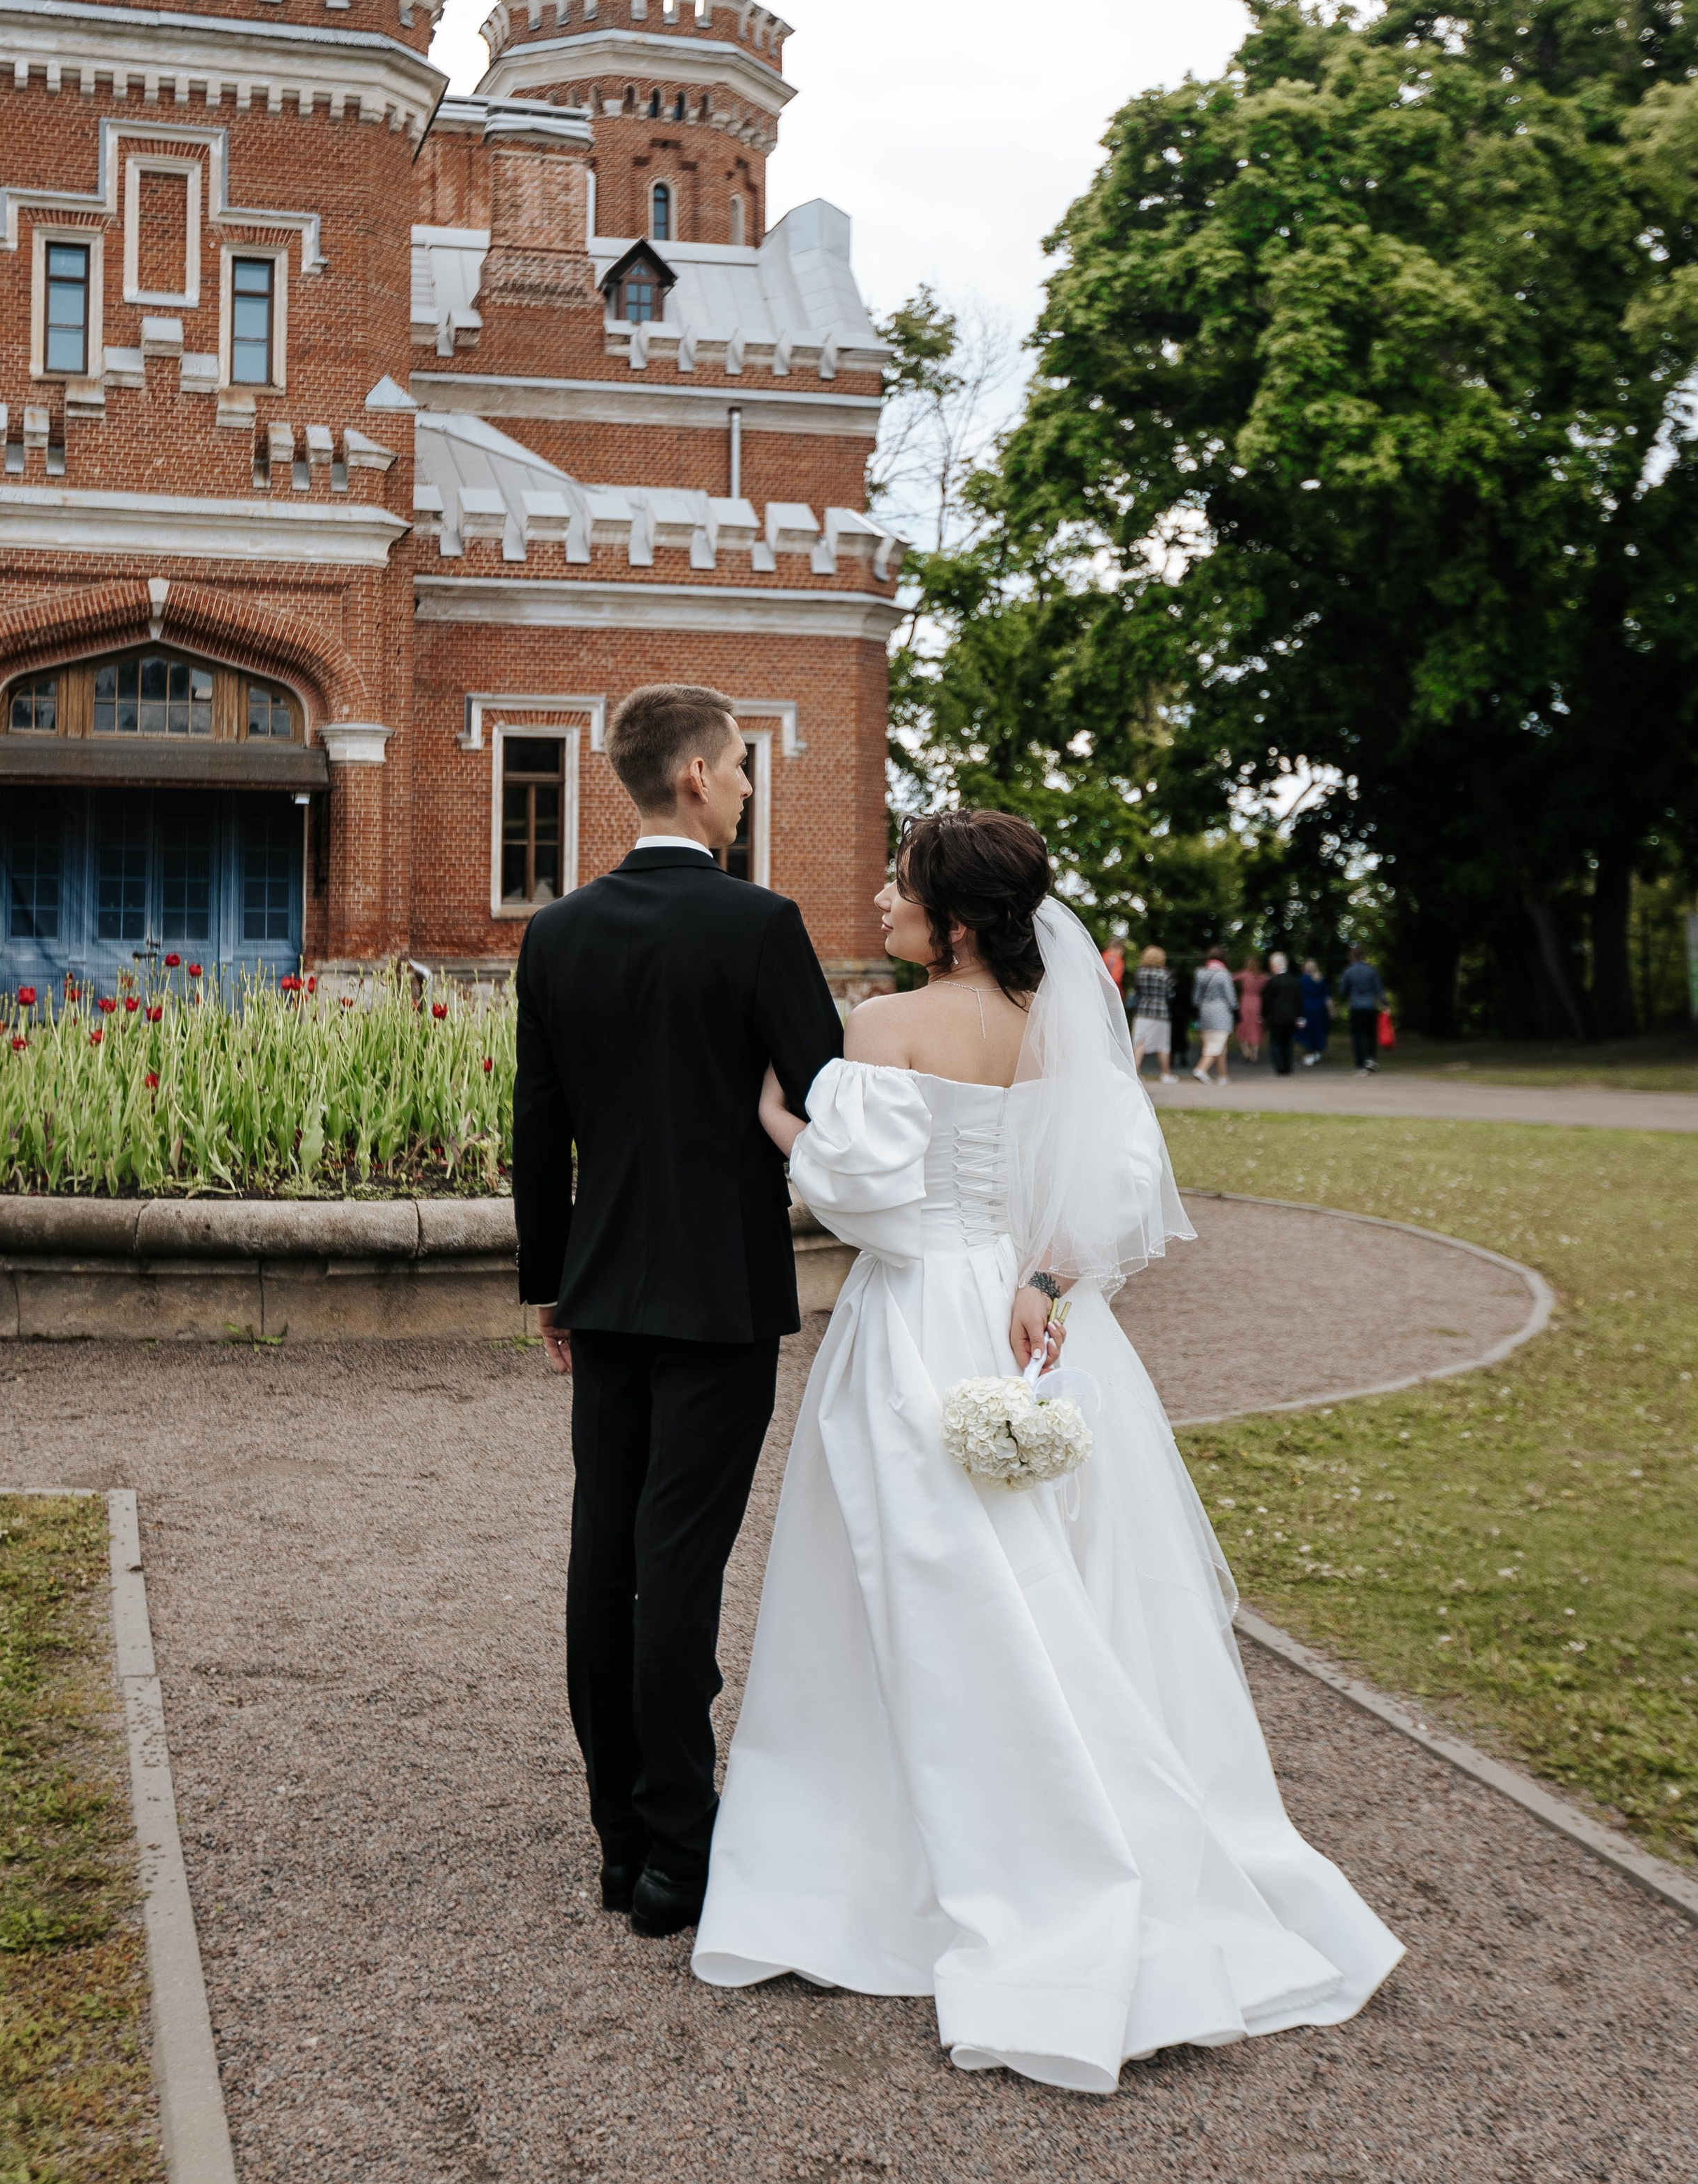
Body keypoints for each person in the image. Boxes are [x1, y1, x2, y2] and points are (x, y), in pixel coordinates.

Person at [694, 810, 1403, 2089]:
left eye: (899, 880)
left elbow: (868, 1205)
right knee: (1071, 1576)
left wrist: (781, 1123)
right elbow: (1117, 1188)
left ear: (951, 919)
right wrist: (1045, 1274)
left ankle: (893, 1864)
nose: (881, 891)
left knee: (907, 1580)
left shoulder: (881, 1027)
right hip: (1040, 1329)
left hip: (918, 1324)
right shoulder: (1067, 1027)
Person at [511, 682, 843, 1939]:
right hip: (720, 1290)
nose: (751, 788)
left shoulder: (561, 931)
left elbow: (539, 1127)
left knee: (606, 1555)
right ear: (698, 775)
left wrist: (550, 1280)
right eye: (744, 768)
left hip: (604, 1285)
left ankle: (616, 1841)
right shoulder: (760, 925)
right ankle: (677, 1855)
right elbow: (824, 1094)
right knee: (679, 1565)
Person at [1337, 944, 1389, 1074]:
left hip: (1356, 1007)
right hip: (1370, 1006)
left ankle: (1360, 1064)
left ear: (1351, 956)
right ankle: (1370, 1059)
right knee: (1371, 1034)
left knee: (1358, 1036)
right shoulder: (1371, 970)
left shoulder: (1348, 971)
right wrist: (1385, 1004)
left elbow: (1342, 990)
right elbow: (1379, 989)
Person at [1190, 949, 1238, 1083]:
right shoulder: (1224, 975)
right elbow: (1230, 997)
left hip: (1205, 1011)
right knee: (1217, 1044)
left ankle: (1223, 1076)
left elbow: (1196, 998)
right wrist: (1235, 1008)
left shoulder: (1200, 973)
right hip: (1221, 1012)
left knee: (1216, 1045)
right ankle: (1201, 1069)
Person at [1128, 943, 1174, 1083]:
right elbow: (1170, 994)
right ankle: (1165, 1074)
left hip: (1143, 1011)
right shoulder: (1165, 975)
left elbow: (1138, 992)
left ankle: (1135, 1072)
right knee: (1163, 1045)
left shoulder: (1140, 973)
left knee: (1140, 1043)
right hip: (1160, 1012)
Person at [1261, 951, 1303, 1076]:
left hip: (1276, 1017)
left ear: (1274, 965)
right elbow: (1299, 1000)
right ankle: (1288, 1066)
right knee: (1288, 1042)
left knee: (1276, 1042)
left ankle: (1280, 1067)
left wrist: (1263, 1015)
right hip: (1291, 1016)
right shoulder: (1294, 981)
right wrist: (1300, 1016)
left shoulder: (1272, 982)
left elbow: (1267, 1000)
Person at [1298, 957, 1333, 1067]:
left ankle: (1309, 1053)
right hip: (1320, 1009)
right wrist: (1332, 1010)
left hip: (1306, 1009)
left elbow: (1298, 996)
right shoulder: (1321, 980)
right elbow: (1327, 997)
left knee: (1307, 1031)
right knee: (1319, 1030)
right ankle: (1317, 1052)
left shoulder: (1302, 980)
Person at [1234, 956, 1266, 1065]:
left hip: (1245, 1003)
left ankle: (1247, 1053)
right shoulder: (1262, 977)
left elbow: (1231, 978)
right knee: (1256, 1028)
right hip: (1257, 1003)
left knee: (1243, 1027)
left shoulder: (1244, 974)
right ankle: (1255, 1055)